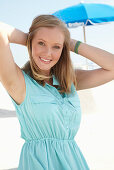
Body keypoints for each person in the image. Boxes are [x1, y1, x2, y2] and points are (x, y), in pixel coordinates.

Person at [0, 14, 114, 170]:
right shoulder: (18, 82)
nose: (48, 53)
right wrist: (30, 39)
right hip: (39, 164)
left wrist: (71, 43)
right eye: (41, 43)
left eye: (56, 46)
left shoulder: (69, 80)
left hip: (74, 162)